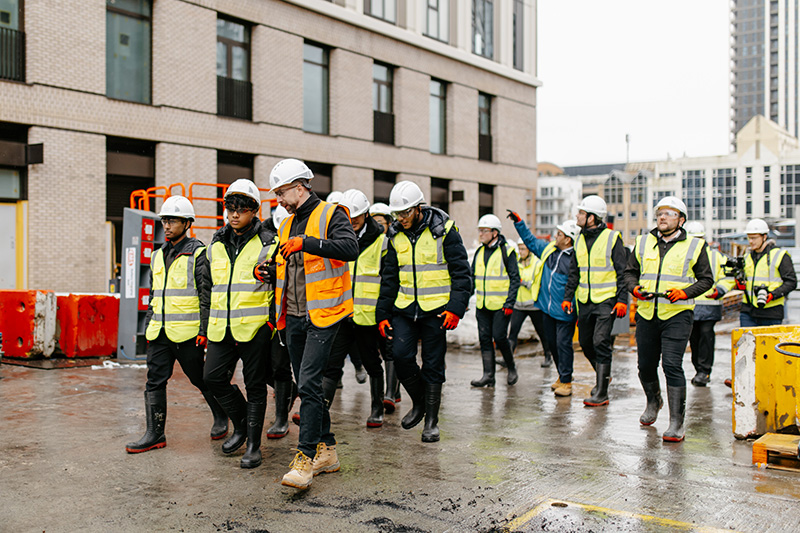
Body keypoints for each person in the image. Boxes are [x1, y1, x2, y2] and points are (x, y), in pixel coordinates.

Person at [270, 159, 359, 490]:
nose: (279, 200)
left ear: (299, 186)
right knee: (304, 383)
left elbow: (350, 248)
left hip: (324, 314)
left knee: (308, 383)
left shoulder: (331, 214)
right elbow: (286, 264)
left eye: (281, 192)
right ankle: (328, 450)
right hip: (292, 314)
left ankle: (305, 459)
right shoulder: (286, 224)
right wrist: (268, 269)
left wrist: (307, 243)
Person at [126, 196, 224, 453]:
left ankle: (221, 415)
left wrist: (204, 331)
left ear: (187, 223)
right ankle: (155, 433)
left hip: (188, 333)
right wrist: (149, 326)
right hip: (159, 332)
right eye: (165, 220)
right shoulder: (157, 255)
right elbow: (154, 295)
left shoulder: (199, 254)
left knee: (200, 379)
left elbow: (206, 296)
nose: (167, 225)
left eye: (173, 220)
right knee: (154, 381)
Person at [376, 181, 471, 443]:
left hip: (437, 312)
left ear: (419, 208)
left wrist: (456, 309)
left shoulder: (445, 232)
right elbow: (390, 278)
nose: (401, 218)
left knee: (432, 364)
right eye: (397, 214)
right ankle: (419, 403)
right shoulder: (395, 235)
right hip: (405, 309)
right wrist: (382, 314)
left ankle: (431, 421)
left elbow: (462, 274)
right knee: (400, 355)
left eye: (405, 212)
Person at [623, 196, 714, 442]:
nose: (662, 217)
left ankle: (676, 422)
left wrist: (685, 293)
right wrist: (634, 288)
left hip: (677, 315)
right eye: (660, 213)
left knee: (672, 365)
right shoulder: (642, 242)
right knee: (645, 365)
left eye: (669, 213)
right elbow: (629, 273)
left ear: (681, 220)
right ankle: (653, 401)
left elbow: (706, 279)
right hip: (646, 312)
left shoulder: (695, 246)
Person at [202, 180, 275, 469]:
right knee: (213, 378)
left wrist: (271, 323)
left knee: (255, 385)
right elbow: (208, 289)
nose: (234, 214)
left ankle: (254, 445)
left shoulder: (269, 242)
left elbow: (280, 285)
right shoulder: (216, 243)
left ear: (254, 211)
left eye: (241, 209)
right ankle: (242, 424)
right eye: (230, 208)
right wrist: (206, 326)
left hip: (255, 328)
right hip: (221, 327)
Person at [321, 189, 389, 427]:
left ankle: (377, 408)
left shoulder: (381, 241)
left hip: (367, 316)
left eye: (357, 216)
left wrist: (383, 312)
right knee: (332, 363)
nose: (352, 221)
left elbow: (387, 280)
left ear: (367, 214)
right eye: (348, 216)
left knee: (372, 363)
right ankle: (320, 410)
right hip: (341, 312)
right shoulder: (339, 237)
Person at [562, 195, 628, 407]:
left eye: (581, 213)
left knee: (601, 341)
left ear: (592, 217)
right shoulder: (579, 238)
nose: (577, 216)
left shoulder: (612, 238)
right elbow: (574, 271)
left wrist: (622, 300)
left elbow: (623, 271)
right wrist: (567, 297)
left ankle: (601, 392)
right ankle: (604, 377)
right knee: (585, 343)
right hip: (585, 301)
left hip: (606, 300)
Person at [508, 211, 579, 397]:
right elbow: (531, 241)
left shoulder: (575, 259)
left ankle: (567, 381)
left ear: (569, 240)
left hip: (564, 310)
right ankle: (561, 376)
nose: (556, 236)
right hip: (546, 308)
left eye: (560, 234)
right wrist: (520, 223)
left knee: (563, 344)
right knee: (553, 344)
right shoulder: (549, 250)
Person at [470, 214, 520, 387]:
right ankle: (488, 375)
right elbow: (472, 277)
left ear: (495, 233)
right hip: (483, 305)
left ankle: (511, 367)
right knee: (484, 338)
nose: (481, 234)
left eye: (484, 231)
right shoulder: (479, 252)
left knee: (499, 337)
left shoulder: (507, 252)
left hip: (501, 306)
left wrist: (509, 303)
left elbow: (515, 278)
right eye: (480, 230)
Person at [261, 205, 297, 439]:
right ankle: (291, 392)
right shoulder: (264, 237)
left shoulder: (297, 237)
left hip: (284, 311)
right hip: (258, 314)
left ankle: (281, 418)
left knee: (281, 365)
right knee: (261, 367)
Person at [683, 221, 731, 387]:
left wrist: (720, 290)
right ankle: (699, 370)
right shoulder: (683, 254)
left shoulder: (716, 257)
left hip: (710, 305)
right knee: (694, 339)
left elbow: (728, 276)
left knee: (706, 336)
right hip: (690, 304)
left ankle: (704, 371)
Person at [369, 202, 402, 412]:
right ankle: (391, 391)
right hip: (372, 305)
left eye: (381, 223)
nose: (378, 226)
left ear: (389, 223)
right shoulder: (370, 243)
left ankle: (391, 393)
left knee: (391, 349)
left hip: (391, 302)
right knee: (378, 350)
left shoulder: (394, 241)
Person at [737, 218, 797, 328]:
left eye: (754, 238)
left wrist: (772, 295)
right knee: (747, 344)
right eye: (749, 238)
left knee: (768, 344)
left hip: (771, 312)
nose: (750, 241)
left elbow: (791, 282)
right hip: (748, 311)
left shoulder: (780, 255)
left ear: (764, 237)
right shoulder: (747, 257)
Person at [506, 239, 555, 368]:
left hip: (534, 306)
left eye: (523, 249)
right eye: (519, 249)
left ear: (529, 250)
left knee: (542, 333)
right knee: (512, 333)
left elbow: (538, 283)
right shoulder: (515, 262)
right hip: (519, 305)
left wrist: (523, 282)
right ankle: (508, 359)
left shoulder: (537, 263)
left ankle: (548, 357)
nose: (521, 252)